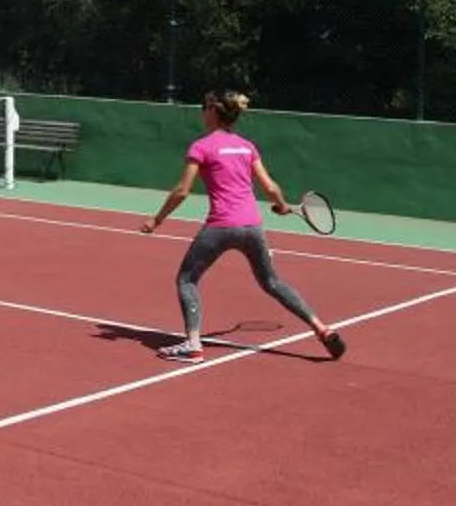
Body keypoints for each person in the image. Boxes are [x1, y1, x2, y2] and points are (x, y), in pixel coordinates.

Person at [141, 89, 345, 361]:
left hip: (221, 226)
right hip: (252, 226)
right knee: (272, 282)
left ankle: (192, 344)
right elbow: (271, 187)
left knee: (187, 280)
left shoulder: (201, 146)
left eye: (204, 107)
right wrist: (283, 205)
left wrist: (157, 219)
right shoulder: (247, 146)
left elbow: (182, 191)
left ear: (213, 111)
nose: (202, 112)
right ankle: (321, 328)